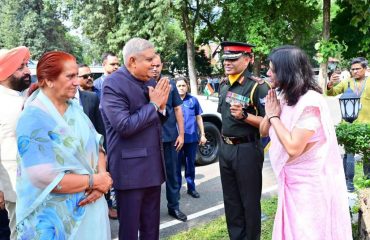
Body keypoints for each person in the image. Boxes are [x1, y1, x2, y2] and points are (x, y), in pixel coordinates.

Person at [16, 51, 112, 239]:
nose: (77, 82)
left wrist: (101, 179)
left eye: (77, 75)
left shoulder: (74, 108)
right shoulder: (32, 117)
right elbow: (41, 176)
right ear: (48, 80)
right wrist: (93, 181)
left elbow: (97, 144)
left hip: (92, 204)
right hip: (54, 219)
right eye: (70, 76)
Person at [260, 45, 352, 239]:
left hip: (308, 190)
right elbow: (263, 131)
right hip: (290, 184)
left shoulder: (310, 102)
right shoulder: (284, 97)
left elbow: (293, 147)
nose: (268, 73)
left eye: (272, 69)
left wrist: (274, 117)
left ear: (286, 71)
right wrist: (270, 115)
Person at [100, 38, 170, 240]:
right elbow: (124, 126)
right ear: (132, 61)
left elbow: (155, 122)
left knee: (151, 231)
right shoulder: (112, 84)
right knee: (129, 232)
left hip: (153, 169)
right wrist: (154, 105)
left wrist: (162, 108)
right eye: (149, 59)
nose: (154, 63)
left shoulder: (149, 81)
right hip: (130, 173)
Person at [217, 41, 270, 239]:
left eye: (233, 59)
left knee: (249, 202)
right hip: (226, 149)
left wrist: (245, 116)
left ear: (248, 60)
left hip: (247, 149)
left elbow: (270, 123)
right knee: (231, 202)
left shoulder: (258, 86)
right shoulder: (224, 84)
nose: (227, 63)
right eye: (225, 59)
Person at [0, 46, 31, 240]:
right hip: (12, 188)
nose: (28, 71)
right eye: (21, 67)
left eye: (27, 65)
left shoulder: (22, 98)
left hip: (33, 185)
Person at [152, 54, 187, 221]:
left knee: (173, 175)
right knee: (151, 178)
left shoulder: (171, 84)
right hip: (150, 140)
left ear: (162, 65)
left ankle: (174, 207)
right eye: (151, 65)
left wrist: (181, 134)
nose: (154, 68)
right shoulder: (143, 84)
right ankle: (151, 212)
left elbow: (178, 109)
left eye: (157, 65)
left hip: (171, 138)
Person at [326, 57, 369, 191]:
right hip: (349, 126)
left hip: (366, 126)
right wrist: (330, 84)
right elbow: (331, 93)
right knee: (349, 155)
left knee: (367, 155)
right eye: (353, 69)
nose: (355, 71)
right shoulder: (346, 82)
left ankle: (367, 182)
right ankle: (348, 185)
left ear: (365, 69)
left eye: (358, 69)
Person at [175, 77, 206, 198]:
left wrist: (202, 134)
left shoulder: (193, 100)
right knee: (176, 166)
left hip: (192, 138)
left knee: (190, 165)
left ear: (187, 86)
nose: (181, 88)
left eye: (183, 85)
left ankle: (191, 188)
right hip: (177, 140)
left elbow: (199, 117)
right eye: (179, 86)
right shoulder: (172, 100)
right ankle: (176, 190)